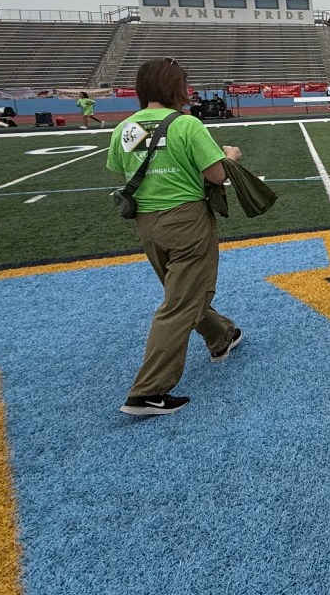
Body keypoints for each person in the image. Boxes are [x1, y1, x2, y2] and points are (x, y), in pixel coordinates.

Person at [107, 57, 244, 417]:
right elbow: (217, 177)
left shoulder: (125, 128)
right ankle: (148, 391)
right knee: (179, 304)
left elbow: (121, 170)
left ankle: (222, 336)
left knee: (182, 291)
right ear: (175, 87)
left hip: (147, 223)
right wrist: (230, 156)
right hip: (187, 220)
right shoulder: (187, 124)